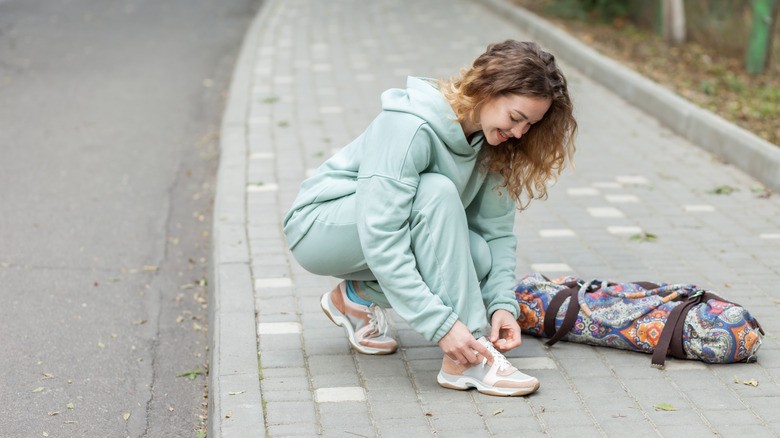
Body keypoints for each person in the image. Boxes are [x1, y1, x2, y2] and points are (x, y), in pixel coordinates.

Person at [282, 40, 577, 397]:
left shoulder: (493, 143)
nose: (519, 133)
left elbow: (496, 234)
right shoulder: (409, 127)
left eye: (530, 125)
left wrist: (502, 304)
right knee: (434, 192)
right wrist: (443, 326)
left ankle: (356, 298)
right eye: (515, 118)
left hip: (380, 231)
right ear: (485, 89)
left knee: (478, 255)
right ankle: (470, 357)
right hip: (319, 227)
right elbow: (383, 238)